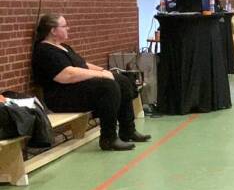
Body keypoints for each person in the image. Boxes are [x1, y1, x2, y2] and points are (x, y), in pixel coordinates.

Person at [31, 13, 151, 151]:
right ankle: (108, 138)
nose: (68, 28)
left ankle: (128, 130)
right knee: (108, 86)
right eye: (64, 26)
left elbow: (83, 65)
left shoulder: (64, 47)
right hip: (61, 97)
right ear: (53, 30)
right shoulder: (44, 51)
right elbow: (66, 75)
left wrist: (104, 71)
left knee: (121, 80)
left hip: (76, 90)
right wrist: (101, 75)